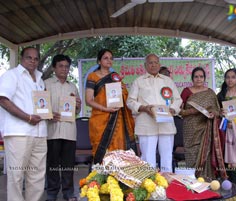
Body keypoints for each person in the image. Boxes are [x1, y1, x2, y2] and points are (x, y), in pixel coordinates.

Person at [0, 47, 47, 201]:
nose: (32, 61)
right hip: (19, 133)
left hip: (40, 133)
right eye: (29, 57)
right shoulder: (12, 75)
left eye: (35, 58)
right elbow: (3, 99)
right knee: (17, 176)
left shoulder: (40, 80)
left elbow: (40, 107)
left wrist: (51, 114)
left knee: (37, 177)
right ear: (21, 58)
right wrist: (27, 117)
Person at [126, 54, 182, 172]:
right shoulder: (138, 81)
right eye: (150, 62)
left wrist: (172, 109)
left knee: (167, 157)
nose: (153, 65)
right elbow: (130, 101)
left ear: (159, 64)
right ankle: (149, 186)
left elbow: (178, 100)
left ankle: (166, 186)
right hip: (146, 123)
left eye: (156, 62)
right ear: (145, 66)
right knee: (147, 158)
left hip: (166, 124)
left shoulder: (168, 81)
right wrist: (143, 108)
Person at [85, 49, 136, 164]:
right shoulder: (93, 77)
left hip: (117, 119)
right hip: (101, 118)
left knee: (119, 149)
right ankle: (103, 179)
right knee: (102, 151)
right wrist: (105, 109)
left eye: (111, 58)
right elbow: (88, 100)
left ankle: (118, 179)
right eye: (105, 58)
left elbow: (125, 97)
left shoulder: (115, 77)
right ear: (99, 61)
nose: (109, 60)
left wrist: (123, 91)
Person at [44, 54, 81, 201]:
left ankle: (68, 192)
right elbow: (39, 106)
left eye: (66, 66)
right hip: (51, 131)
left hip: (69, 131)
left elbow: (77, 111)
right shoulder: (45, 84)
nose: (64, 69)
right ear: (54, 67)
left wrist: (78, 106)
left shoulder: (73, 86)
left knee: (68, 164)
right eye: (61, 66)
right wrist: (49, 114)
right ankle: (52, 193)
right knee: (52, 163)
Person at [180, 67, 226, 179]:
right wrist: (192, 111)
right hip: (190, 129)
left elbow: (218, 111)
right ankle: (192, 180)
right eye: (196, 76)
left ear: (204, 78)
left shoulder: (210, 93)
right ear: (192, 78)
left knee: (207, 153)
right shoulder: (186, 91)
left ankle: (207, 180)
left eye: (201, 76)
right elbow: (179, 111)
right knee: (192, 153)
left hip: (206, 127)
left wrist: (213, 113)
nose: (199, 79)